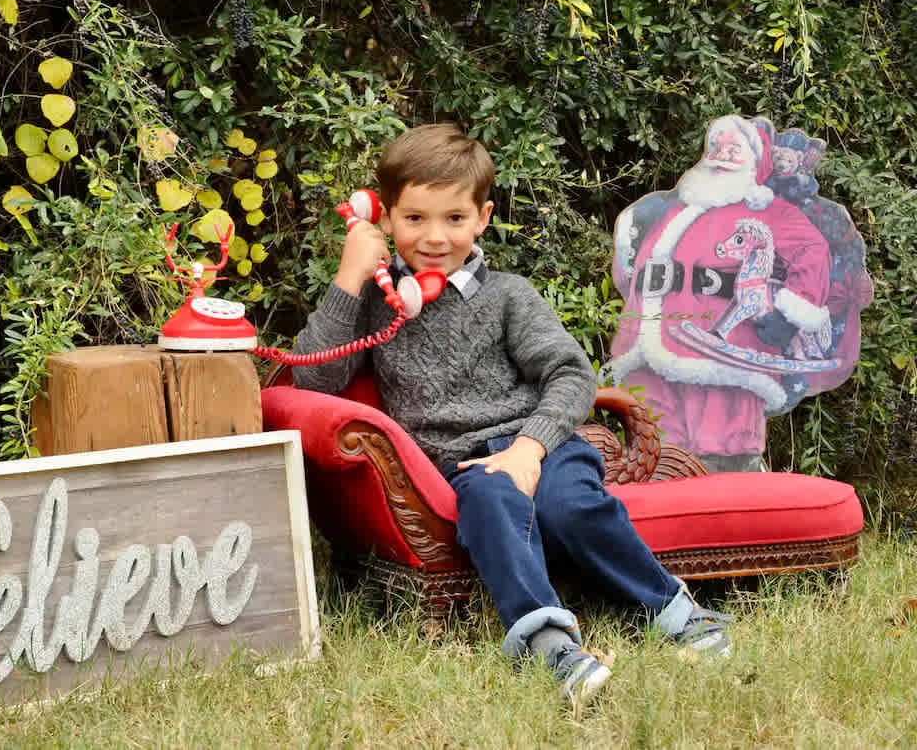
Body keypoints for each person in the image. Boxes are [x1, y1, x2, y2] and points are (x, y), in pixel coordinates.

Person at [292, 123, 732, 706]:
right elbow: (313, 379)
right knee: (493, 499)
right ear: (384, 217)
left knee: (570, 505)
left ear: (482, 217)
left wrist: (530, 447)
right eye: (414, 218)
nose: (433, 236)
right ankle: (548, 641)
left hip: (542, 443)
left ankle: (673, 609)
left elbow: (572, 375)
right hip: (466, 462)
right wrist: (350, 274)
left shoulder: (508, 295)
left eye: (454, 218)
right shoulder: (377, 303)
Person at [604, 115, 833, 472]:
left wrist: (788, 313)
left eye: (733, 148)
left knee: (724, 458)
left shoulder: (767, 212)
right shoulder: (678, 209)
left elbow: (813, 252)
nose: (722, 155)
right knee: (658, 459)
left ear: (755, 161)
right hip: (650, 356)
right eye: (716, 147)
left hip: (723, 361)